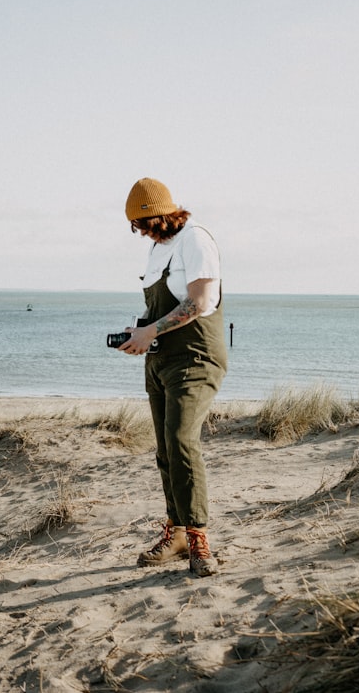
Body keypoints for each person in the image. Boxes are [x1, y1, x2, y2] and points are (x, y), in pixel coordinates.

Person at [115, 177, 228, 577]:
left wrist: (152, 332)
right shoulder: (157, 249)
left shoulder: (196, 240)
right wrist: (139, 335)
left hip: (196, 358)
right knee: (164, 448)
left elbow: (199, 302)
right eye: (136, 227)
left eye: (143, 224)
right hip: (161, 360)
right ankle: (176, 532)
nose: (140, 232)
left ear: (161, 214)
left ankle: (199, 538)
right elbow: (161, 311)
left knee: (181, 440)